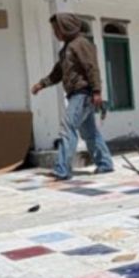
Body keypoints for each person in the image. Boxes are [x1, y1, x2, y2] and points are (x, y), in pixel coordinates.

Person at [30, 13, 114, 180]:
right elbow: (58, 73)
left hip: (82, 94)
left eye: (57, 29)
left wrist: (97, 91)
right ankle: (105, 164)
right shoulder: (66, 49)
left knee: (68, 127)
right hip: (77, 94)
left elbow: (92, 68)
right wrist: (42, 84)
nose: (55, 33)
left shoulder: (81, 44)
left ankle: (62, 169)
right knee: (89, 132)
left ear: (66, 27)